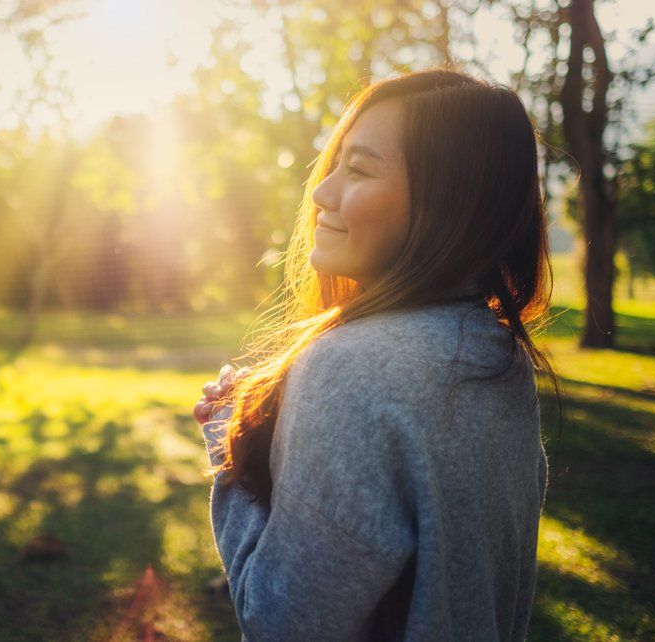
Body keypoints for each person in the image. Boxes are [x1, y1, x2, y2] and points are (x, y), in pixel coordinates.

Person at [192, 67, 560, 641]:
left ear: (448, 202)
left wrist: (227, 447)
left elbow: (280, 624)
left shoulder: (350, 368)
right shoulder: (496, 354)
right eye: (336, 163)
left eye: (359, 169)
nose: (322, 192)